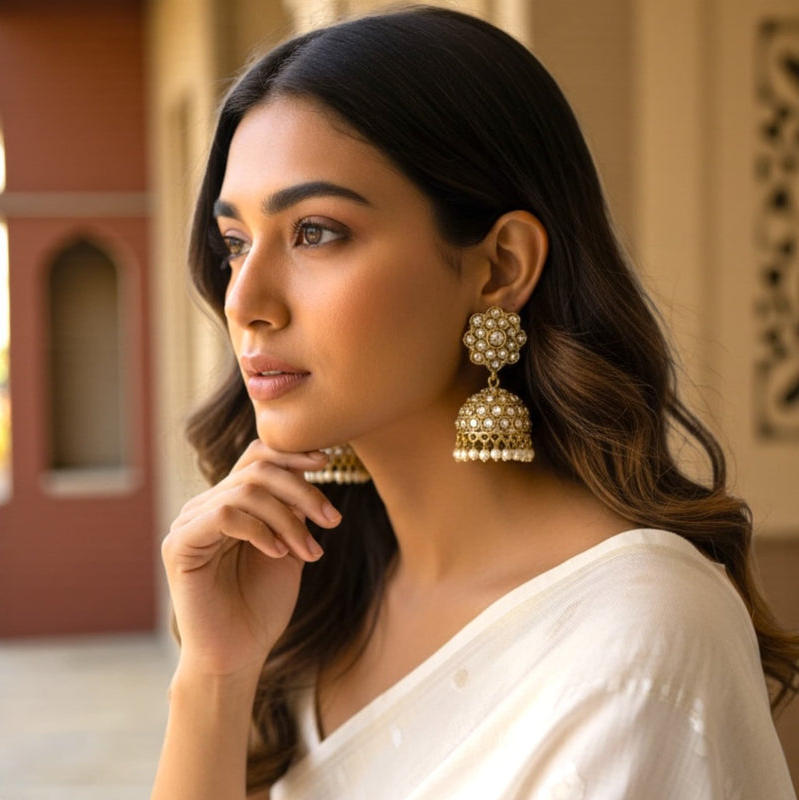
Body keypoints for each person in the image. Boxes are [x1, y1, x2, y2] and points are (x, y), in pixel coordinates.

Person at [152, 6, 799, 799]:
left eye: (316, 231)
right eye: (235, 242)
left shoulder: (638, 639)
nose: (245, 301)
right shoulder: (313, 600)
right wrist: (214, 677)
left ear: (499, 267)